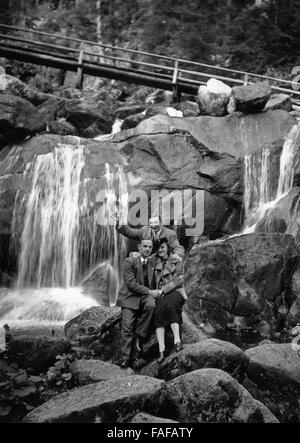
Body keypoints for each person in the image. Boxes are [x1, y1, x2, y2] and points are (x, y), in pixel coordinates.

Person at [117, 238, 160, 368]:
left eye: (150, 247)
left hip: (145, 297)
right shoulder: (129, 261)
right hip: (130, 297)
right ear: (139, 247)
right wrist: (150, 292)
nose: (147, 249)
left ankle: (139, 336)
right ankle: (125, 357)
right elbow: (131, 284)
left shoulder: (153, 262)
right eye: (145, 246)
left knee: (152, 305)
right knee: (127, 325)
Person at [153, 238, 188, 364]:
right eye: (158, 248)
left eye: (162, 247)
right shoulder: (155, 262)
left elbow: (179, 280)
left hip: (177, 291)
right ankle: (161, 350)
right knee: (158, 311)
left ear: (167, 247)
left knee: (171, 306)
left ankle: (177, 341)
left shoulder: (177, 260)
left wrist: (163, 290)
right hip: (161, 294)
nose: (160, 250)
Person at [116, 215, 184, 258]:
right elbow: (131, 233)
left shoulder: (170, 234)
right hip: (148, 264)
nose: (153, 225)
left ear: (161, 222)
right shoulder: (145, 231)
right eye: (151, 223)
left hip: (163, 263)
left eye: (155, 222)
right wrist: (120, 225)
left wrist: (177, 255)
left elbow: (177, 248)